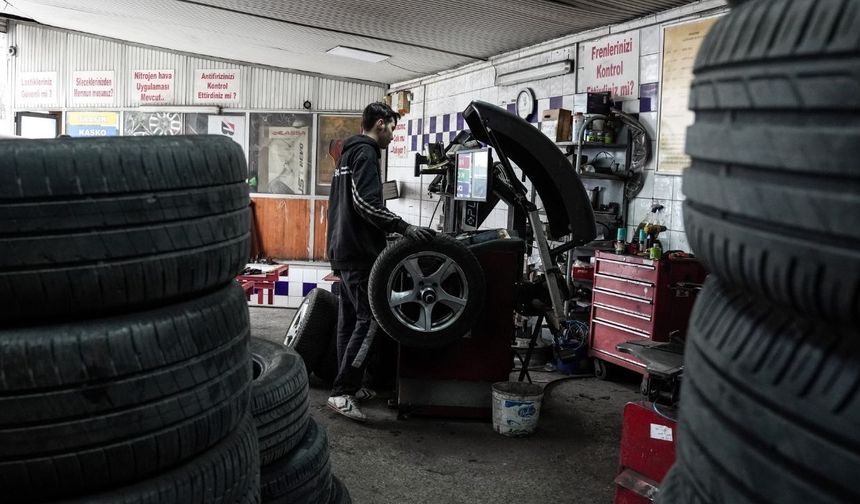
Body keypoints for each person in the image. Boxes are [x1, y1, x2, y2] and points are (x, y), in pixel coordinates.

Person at [326, 102, 435, 422]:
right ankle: (343, 391)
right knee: (371, 318)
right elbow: (365, 204)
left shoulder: (346, 152)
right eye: (392, 128)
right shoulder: (365, 152)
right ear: (381, 124)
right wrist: (404, 228)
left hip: (342, 246)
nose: (392, 136)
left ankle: (346, 384)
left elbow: (348, 203)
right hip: (358, 251)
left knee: (349, 320)